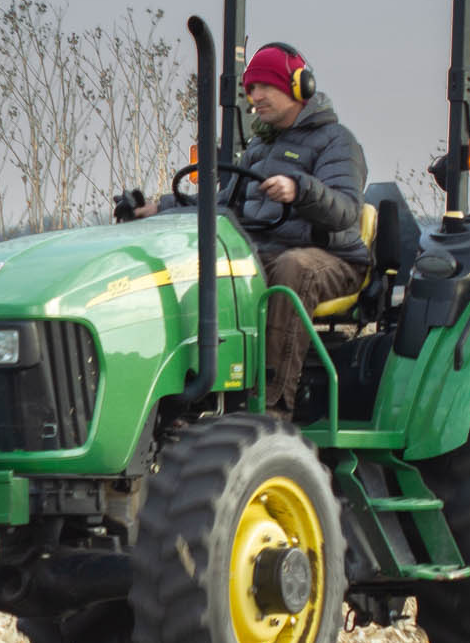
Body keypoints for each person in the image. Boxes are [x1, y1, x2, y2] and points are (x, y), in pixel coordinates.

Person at [137, 42, 370, 412]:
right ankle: (185, 393)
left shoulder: (337, 142)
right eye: (249, 89)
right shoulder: (260, 148)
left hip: (333, 257)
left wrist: (299, 190)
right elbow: (225, 203)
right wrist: (160, 207)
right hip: (265, 251)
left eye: (263, 87)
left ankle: (271, 405)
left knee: (294, 268)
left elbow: (344, 211)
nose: (254, 97)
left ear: (299, 88)